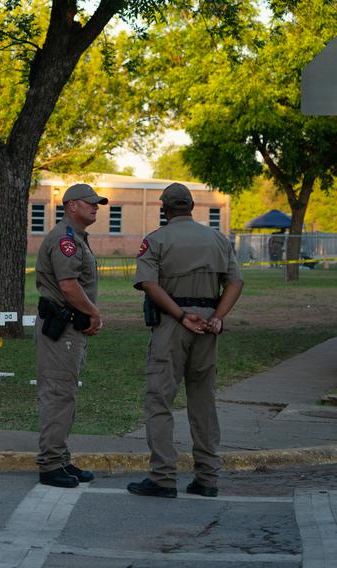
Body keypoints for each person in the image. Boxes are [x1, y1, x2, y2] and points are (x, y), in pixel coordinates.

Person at [128, 183, 243, 499]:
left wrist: (180, 316)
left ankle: (163, 477)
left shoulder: (157, 240)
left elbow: (149, 284)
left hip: (173, 323)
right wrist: (218, 316)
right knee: (203, 403)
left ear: (164, 209)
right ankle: (207, 478)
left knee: (159, 399)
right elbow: (235, 282)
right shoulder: (218, 238)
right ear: (192, 206)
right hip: (208, 324)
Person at [34, 183, 107, 488]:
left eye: (97, 204)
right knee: (60, 394)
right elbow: (68, 286)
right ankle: (50, 464)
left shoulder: (76, 238)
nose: (96, 207)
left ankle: (61, 458)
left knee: (66, 393)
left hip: (69, 327)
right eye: (90, 203)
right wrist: (94, 312)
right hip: (61, 327)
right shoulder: (65, 240)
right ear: (71, 205)